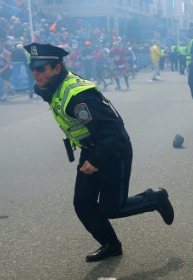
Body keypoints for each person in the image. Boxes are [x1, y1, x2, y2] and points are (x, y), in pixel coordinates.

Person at [24, 43, 174, 262]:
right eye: (32, 68)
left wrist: (96, 159)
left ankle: (155, 199)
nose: (35, 73)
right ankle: (111, 245)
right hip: (92, 148)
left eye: (41, 68)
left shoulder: (77, 95)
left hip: (113, 150)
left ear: (57, 68)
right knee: (83, 204)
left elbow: (113, 129)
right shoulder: (54, 85)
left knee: (112, 208)